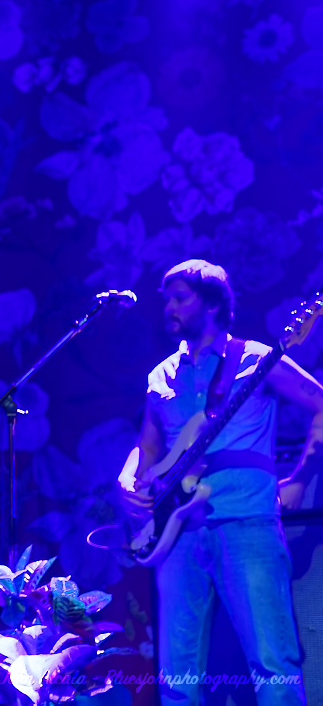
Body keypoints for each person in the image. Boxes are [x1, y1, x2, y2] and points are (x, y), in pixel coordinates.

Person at [118, 259, 323, 706]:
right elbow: (148, 449)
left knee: (273, 665)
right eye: (166, 299)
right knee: (177, 677)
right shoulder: (161, 376)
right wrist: (127, 480)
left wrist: (301, 478)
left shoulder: (255, 359)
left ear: (212, 303)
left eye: (180, 298)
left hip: (246, 522)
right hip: (177, 537)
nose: (169, 307)